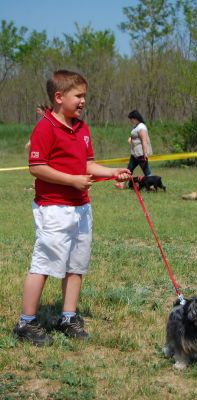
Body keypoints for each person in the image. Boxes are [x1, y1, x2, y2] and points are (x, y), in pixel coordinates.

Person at [13, 70, 131, 346]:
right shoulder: (45, 127)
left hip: (81, 209)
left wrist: (113, 172)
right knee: (42, 264)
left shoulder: (82, 128)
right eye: (78, 96)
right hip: (53, 209)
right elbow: (37, 167)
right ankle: (25, 323)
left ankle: (68, 317)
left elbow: (87, 166)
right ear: (58, 97)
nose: (82, 102)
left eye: (84, 97)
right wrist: (72, 180)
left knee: (76, 266)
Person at [115, 110, 152, 189]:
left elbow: (144, 140)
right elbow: (134, 136)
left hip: (140, 154)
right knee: (129, 169)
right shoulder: (136, 126)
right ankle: (121, 184)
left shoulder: (141, 127)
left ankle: (151, 186)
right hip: (134, 154)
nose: (130, 121)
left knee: (147, 171)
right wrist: (130, 138)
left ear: (135, 118)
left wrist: (145, 153)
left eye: (131, 119)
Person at [24, 105, 48, 191]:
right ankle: (35, 184)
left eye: (38, 110)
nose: (37, 112)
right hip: (40, 146)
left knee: (40, 167)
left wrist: (30, 142)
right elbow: (36, 133)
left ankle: (36, 185)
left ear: (43, 110)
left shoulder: (47, 121)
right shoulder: (42, 121)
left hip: (45, 147)